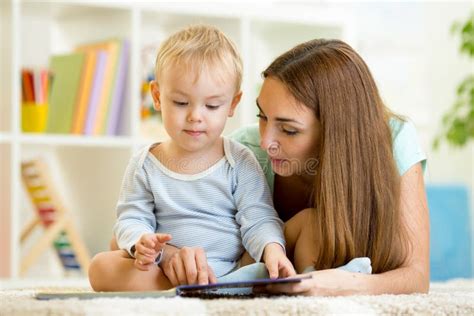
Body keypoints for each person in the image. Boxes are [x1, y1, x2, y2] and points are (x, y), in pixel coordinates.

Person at [159, 38, 430, 296]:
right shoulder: (244, 151)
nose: (266, 142)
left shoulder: (393, 141)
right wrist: (170, 254)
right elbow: (151, 229)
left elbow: (416, 276)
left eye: (288, 130)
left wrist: (347, 285)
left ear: (335, 132)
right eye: (262, 116)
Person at [88, 24, 295, 292]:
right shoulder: (145, 164)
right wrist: (143, 242)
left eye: (211, 106)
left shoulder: (240, 160)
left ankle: (228, 284)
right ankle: (205, 289)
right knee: (100, 267)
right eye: (181, 103)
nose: (195, 116)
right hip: (167, 270)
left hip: (230, 267)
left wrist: (272, 251)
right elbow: (130, 218)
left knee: (263, 256)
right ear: (157, 97)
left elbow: (258, 217)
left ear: (232, 104)